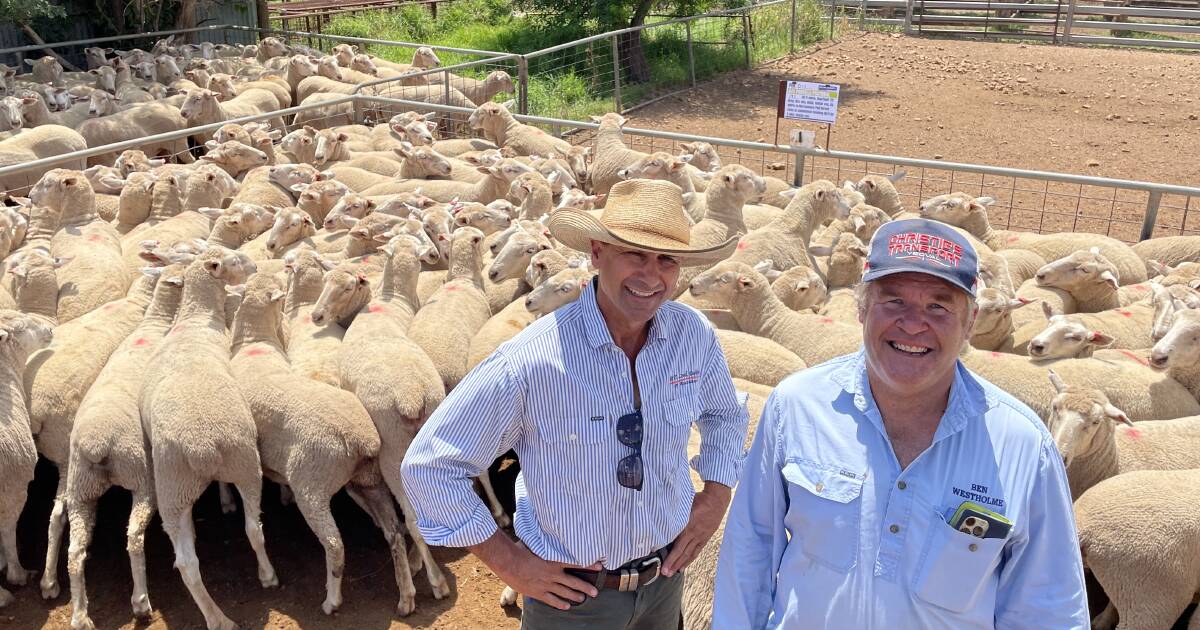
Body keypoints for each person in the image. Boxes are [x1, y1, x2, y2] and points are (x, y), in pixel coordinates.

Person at [401, 178, 750, 629]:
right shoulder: (531, 361)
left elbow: (724, 413)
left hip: (664, 583)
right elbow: (429, 465)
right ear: (597, 253)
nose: (652, 276)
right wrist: (510, 563)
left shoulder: (691, 335)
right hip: (574, 602)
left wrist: (717, 492)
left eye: (667, 260)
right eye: (634, 254)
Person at [711, 218, 1089, 628]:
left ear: (971, 321)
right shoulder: (797, 406)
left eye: (939, 306)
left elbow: (1048, 606)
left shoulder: (1021, 444)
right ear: (861, 308)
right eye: (893, 302)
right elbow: (749, 552)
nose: (912, 324)